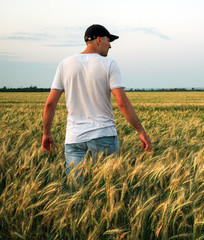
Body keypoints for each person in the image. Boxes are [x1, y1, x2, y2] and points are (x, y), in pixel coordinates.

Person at [42, 24, 152, 174]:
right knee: (107, 190)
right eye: (109, 40)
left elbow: (50, 104)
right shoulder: (109, 64)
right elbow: (121, 102)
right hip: (104, 136)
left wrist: (46, 133)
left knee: (76, 190)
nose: (110, 46)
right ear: (99, 40)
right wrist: (141, 131)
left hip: (74, 139)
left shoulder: (65, 64)